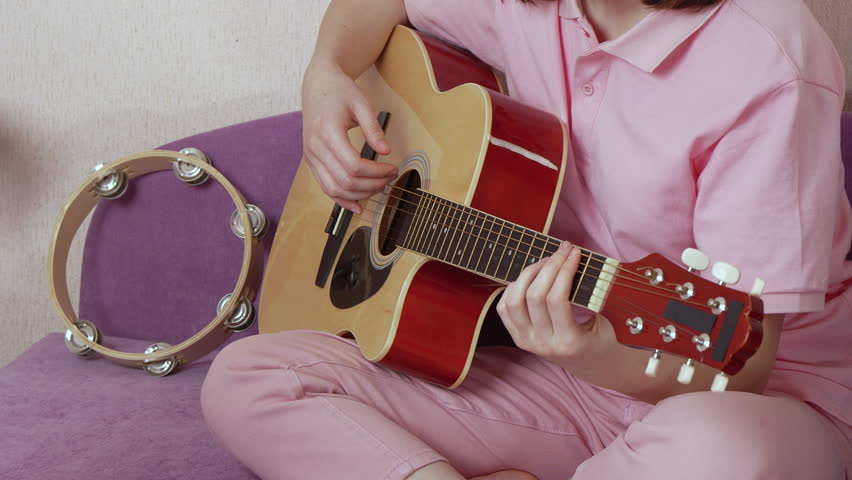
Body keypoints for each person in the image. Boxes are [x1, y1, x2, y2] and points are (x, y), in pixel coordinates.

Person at [200, 0, 852, 478]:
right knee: (249, 377)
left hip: (758, 392)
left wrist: (593, 354)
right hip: (558, 365)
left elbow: (744, 363)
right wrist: (327, 72)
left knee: (727, 455)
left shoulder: (770, 59)